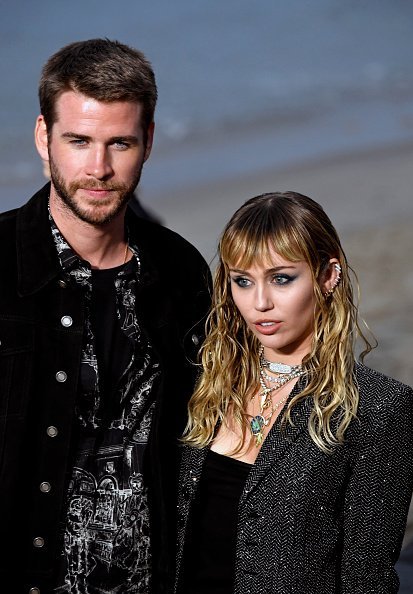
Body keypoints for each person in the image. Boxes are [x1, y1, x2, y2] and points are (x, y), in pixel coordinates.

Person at [0, 38, 211, 593]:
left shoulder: (180, 271)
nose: (99, 168)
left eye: (119, 143)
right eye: (78, 140)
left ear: (148, 141)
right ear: (43, 138)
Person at [175, 191, 413, 594]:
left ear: (327, 276)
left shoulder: (378, 409)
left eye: (281, 278)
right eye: (242, 281)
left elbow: (366, 580)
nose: (260, 303)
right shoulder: (202, 386)